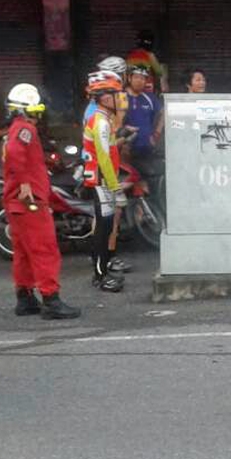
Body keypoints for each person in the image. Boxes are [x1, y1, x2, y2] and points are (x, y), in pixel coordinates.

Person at [1, 83, 81, 320]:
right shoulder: (25, 129)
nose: (38, 117)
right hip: (30, 202)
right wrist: (26, 183)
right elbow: (15, 154)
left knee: (23, 253)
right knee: (44, 250)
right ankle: (51, 300)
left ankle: (25, 298)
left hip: (16, 202)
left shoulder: (13, 129)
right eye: (36, 111)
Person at [83, 71, 127, 293]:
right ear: (104, 97)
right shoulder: (100, 122)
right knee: (103, 228)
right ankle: (100, 275)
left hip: (103, 180)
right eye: (114, 95)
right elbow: (103, 157)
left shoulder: (104, 120)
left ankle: (101, 270)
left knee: (106, 226)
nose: (118, 99)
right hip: (102, 182)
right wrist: (115, 187)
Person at [123, 66, 164, 167]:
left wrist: (157, 133)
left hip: (146, 146)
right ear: (129, 78)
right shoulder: (121, 96)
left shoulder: (149, 97)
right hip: (126, 147)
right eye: (136, 77)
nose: (139, 81)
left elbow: (163, 113)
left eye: (142, 78)